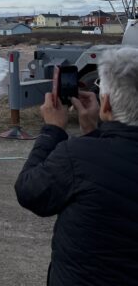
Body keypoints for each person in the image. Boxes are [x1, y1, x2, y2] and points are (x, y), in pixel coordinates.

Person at [15, 47, 138, 285]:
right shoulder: (86, 155)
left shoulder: (77, 156)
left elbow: (29, 191)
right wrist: (94, 132)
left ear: (106, 105)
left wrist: (53, 130)